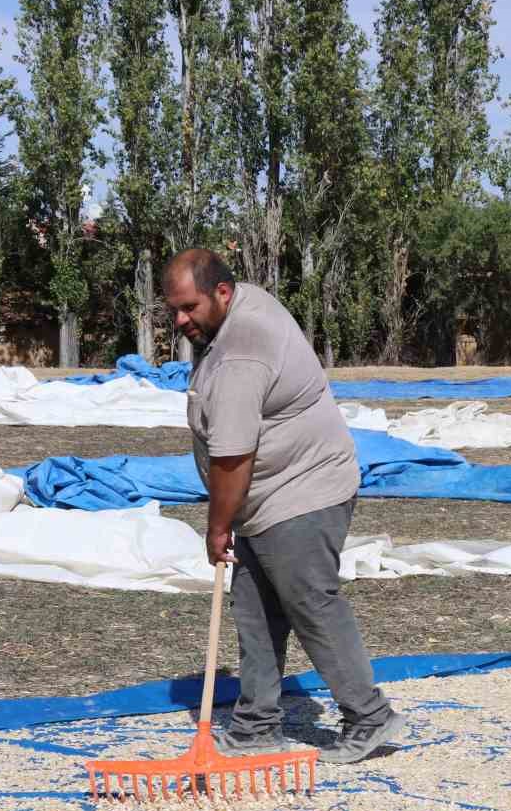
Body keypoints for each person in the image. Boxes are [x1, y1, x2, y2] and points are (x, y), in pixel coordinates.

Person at [162, 247, 406, 764]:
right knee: (254, 607)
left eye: (189, 308)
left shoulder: (239, 356)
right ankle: (256, 724)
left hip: (301, 489)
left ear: (222, 293)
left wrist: (218, 527)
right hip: (267, 494)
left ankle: (370, 716)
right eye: (174, 310)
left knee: (309, 601)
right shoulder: (236, 309)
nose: (181, 320)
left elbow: (233, 459)